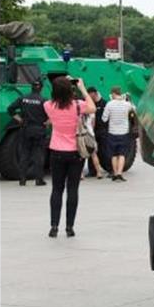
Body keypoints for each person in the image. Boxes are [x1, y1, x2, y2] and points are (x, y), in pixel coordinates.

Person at [43, 75, 96, 237]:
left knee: (56, 190)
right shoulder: (78, 106)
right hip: (75, 152)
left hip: (56, 151)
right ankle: (69, 227)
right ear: (70, 90)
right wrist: (82, 88)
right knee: (73, 189)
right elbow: (93, 108)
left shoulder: (48, 105)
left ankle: (53, 227)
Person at [6, 78, 49, 186]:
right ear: (41, 88)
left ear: (31, 88)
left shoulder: (23, 98)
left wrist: (19, 119)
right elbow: (51, 114)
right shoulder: (44, 101)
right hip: (39, 130)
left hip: (26, 129)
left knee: (25, 154)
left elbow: (10, 109)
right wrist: (47, 122)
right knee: (38, 155)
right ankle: (39, 179)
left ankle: (22, 179)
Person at [101, 86, 136, 181]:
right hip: (124, 132)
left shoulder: (109, 104)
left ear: (112, 93)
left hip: (112, 132)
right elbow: (134, 109)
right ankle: (120, 173)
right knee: (122, 154)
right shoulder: (126, 104)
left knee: (113, 155)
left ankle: (115, 173)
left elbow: (104, 119)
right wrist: (128, 100)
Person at [86, 87, 108, 179]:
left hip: (102, 131)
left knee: (103, 151)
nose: (90, 97)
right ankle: (92, 171)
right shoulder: (90, 105)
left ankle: (109, 169)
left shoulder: (104, 103)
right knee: (91, 152)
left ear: (95, 93)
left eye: (90, 95)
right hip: (92, 132)